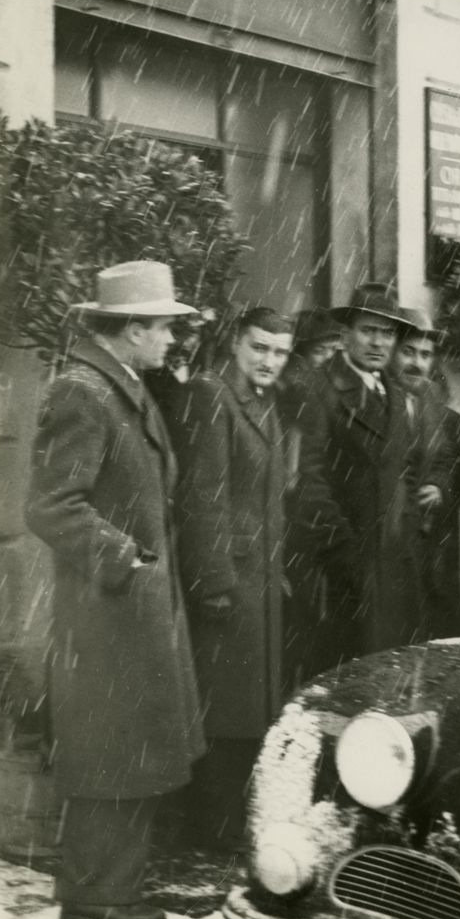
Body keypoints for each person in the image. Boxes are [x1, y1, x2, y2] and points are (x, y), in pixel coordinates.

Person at [25, 261, 205, 919]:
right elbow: (49, 505)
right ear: (129, 330)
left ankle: (108, 885)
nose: (171, 340)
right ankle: (99, 895)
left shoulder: (120, 386)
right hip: (107, 613)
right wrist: (126, 560)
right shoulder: (85, 392)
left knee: (129, 747)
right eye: (162, 327)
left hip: (128, 608)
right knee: (112, 750)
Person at [172, 307, 293, 853]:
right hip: (229, 583)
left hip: (259, 578)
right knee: (224, 708)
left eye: (280, 352)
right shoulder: (210, 393)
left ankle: (227, 827)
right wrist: (215, 582)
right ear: (235, 346)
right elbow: (204, 495)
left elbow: (264, 500)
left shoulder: (264, 403)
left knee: (251, 707)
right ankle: (208, 831)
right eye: (258, 348)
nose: (269, 361)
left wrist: (277, 568)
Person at [288, 282, 422, 676]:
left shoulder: (396, 395)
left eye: (387, 333)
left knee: (392, 675)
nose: (378, 342)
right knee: (346, 676)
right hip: (342, 570)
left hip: (393, 565)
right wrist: (345, 551)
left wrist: (407, 533)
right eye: (368, 330)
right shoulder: (318, 388)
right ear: (346, 335)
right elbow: (307, 480)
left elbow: (406, 471)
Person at [391, 308, 460, 637]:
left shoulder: (432, 395)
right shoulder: (379, 396)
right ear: (392, 351)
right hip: (389, 536)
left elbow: (444, 452)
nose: (417, 363)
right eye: (408, 352)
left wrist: (438, 483)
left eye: (425, 354)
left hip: (424, 533)